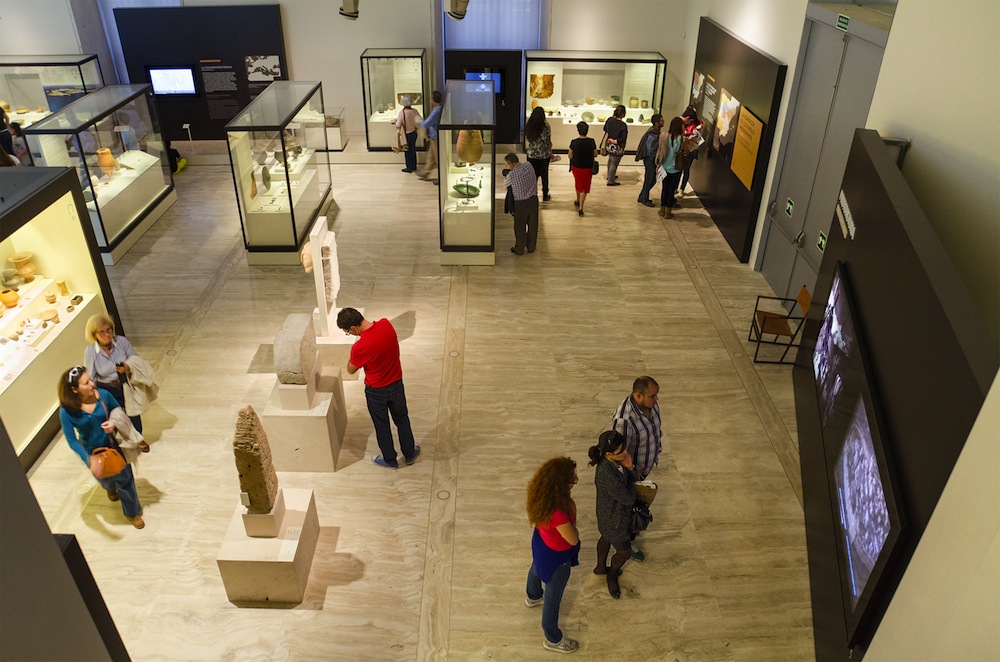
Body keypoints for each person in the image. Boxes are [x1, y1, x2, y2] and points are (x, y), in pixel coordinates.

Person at [59, 365, 145, 529]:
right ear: (74, 389)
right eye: (86, 383)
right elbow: (71, 440)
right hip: (93, 453)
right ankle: (110, 488)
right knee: (105, 480)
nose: (92, 384)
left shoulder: (104, 395)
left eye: (90, 379)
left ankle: (132, 512)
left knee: (125, 481)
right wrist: (87, 459)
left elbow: (118, 409)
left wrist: (113, 422)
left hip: (114, 447)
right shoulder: (67, 411)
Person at [337, 307, 419, 469]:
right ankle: (409, 453)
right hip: (396, 384)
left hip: (376, 391)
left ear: (353, 328)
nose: (351, 334)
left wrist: (354, 354)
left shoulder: (360, 347)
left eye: (348, 332)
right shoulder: (386, 325)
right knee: (402, 419)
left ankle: (390, 460)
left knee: (382, 425)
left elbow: (351, 369)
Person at [524, 456, 581, 654]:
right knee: (552, 600)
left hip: (541, 542)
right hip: (558, 557)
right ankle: (552, 638)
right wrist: (576, 525)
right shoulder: (559, 512)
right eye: (572, 479)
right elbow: (572, 539)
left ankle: (532, 596)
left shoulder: (539, 494)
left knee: (536, 568)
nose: (576, 480)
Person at [611, 376, 662, 561]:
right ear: (638, 395)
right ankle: (628, 540)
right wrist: (632, 471)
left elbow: (655, 429)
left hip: (644, 468)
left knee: (638, 504)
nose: (657, 400)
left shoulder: (651, 406)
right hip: (633, 475)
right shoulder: (624, 421)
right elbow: (619, 453)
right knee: (630, 508)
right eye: (653, 396)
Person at [84, 313, 151, 448]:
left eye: (109, 330)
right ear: (94, 334)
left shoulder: (121, 342)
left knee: (133, 413)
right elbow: (91, 375)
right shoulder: (90, 351)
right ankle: (111, 444)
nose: (107, 334)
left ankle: (138, 439)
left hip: (124, 383)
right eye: (102, 332)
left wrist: (127, 367)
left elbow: (135, 359)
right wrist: (95, 394)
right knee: (113, 415)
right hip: (106, 389)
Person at [588, 430, 637, 599]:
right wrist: (630, 469)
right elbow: (629, 498)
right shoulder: (607, 475)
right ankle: (611, 574)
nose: (625, 453)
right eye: (621, 451)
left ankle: (601, 567)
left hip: (605, 514)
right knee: (625, 553)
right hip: (616, 520)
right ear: (609, 454)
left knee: (605, 537)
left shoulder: (608, 462)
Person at [503, 152, 539, 255]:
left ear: (512, 164)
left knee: (519, 226)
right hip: (533, 199)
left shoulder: (511, 174)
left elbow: (505, 185)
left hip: (520, 202)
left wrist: (506, 174)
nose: (507, 166)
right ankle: (531, 246)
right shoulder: (529, 165)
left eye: (507, 164)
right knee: (533, 224)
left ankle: (519, 248)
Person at [656, 116, 684, 219]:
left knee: (665, 189)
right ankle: (668, 212)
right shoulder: (681, 138)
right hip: (675, 168)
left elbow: (659, 150)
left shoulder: (663, 136)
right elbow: (681, 151)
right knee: (671, 190)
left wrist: (658, 164)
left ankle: (662, 209)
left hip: (664, 167)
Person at [567, 121, 596, 217]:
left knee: (578, 182)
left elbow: (570, 156)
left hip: (576, 167)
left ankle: (577, 199)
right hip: (587, 167)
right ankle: (581, 208)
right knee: (585, 186)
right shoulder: (591, 141)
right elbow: (595, 154)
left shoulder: (574, 142)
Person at [524, 107, 553, 202]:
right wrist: (550, 152)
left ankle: (532, 195)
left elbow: (528, 138)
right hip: (543, 155)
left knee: (532, 175)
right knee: (544, 175)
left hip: (532, 154)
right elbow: (547, 141)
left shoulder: (529, 124)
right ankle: (545, 194)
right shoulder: (546, 126)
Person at [634, 113, 663, 207]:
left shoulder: (655, 131)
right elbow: (649, 148)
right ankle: (644, 198)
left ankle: (642, 196)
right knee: (649, 179)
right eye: (662, 120)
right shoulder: (652, 133)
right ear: (656, 122)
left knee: (652, 179)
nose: (664, 121)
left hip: (651, 158)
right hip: (650, 159)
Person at [678, 105, 704, 197]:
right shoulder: (679, 123)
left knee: (686, 169)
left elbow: (696, 133)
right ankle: (675, 188)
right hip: (682, 148)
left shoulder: (696, 122)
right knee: (678, 169)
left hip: (691, 149)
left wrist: (691, 136)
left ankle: (681, 189)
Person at [416, 90, 442, 184]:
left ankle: (442, 178)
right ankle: (425, 173)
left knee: (438, 158)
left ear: (433, 99)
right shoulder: (438, 109)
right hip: (434, 136)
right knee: (430, 157)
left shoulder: (437, 110)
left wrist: (419, 121)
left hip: (435, 137)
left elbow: (427, 124)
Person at [395, 95, 423, 173]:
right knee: (413, 150)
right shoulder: (414, 111)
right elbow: (419, 121)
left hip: (406, 135)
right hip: (413, 133)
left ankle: (409, 167)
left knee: (407, 151)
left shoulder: (402, 112)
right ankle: (414, 166)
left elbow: (398, 124)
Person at [602, 105, 628, 186]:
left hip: (609, 144)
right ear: (623, 114)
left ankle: (609, 175)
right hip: (617, 146)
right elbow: (623, 138)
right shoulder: (623, 125)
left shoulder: (610, 120)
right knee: (614, 163)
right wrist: (615, 141)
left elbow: (605, 129)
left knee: (610, 160)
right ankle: (611, 180)